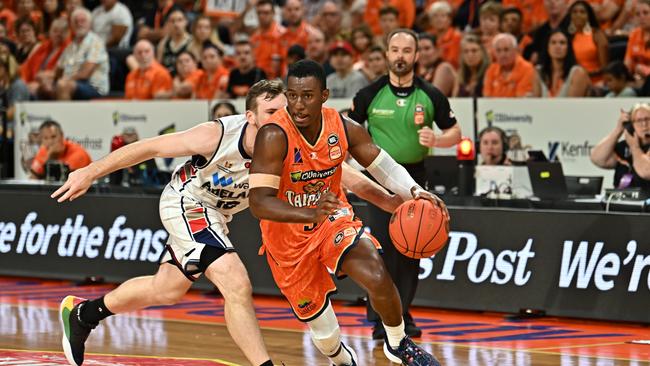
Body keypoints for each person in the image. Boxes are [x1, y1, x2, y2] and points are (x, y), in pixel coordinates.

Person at [52, 79, 401, 366]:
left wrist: (389, 200)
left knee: (167, 289)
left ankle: (84, 315)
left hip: (218, 215)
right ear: (250, 116)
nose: (283, 117)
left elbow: (346, 177)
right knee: (235, 281)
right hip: (187, 202)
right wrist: (91, 171)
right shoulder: (216, 135)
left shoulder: (288, 141)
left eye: (286, 110)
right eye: (271, 112)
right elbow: (150, 148)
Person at [249, 59, 444, 366]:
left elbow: (382, 165)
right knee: (325, 335)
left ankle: (397, 343)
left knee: (377, 274)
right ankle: (341, 359)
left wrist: (414, 191)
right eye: (294, 96)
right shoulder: (274, 136)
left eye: (308, 96)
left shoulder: (341, 126)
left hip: (332, 220)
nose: (299, 105)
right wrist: (309, 214)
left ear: (324, 95)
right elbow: (259, 202)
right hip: (287, 241)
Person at [349, 29, 461, 340]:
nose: (400, 56)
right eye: (395, 49)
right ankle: (380, 319)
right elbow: (349, 134)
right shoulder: (368, 95)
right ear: (386, 54)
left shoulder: (431, 94)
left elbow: (457, 132)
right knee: (382, 249)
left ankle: (403, 314)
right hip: (379, 180)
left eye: (407, 50)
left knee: (412, 248)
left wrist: (438, 139)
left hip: (415, 178)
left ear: (416, 56)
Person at [591, 103, 650, 191]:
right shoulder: (624, 146)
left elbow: (646, 172)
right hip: (620, 200)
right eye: (638, 120)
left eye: (648, 119)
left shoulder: (633, 145)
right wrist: (618, 130)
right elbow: (597, 159)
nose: (644, 124)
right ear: (630, 125)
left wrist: (635, 148)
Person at [55, 7, 109, 100]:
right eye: (76, 22)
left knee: (63, 86)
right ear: (72, 25)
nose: (79, 24)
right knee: (39, 87)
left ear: (90, 24)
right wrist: (49, 79)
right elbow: (59, 69)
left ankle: (64, 114)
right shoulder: (70, 46)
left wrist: (64, 80)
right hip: (72, 83)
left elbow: (85, 74)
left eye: (83, 21)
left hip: (93, 86)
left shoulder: (96, 43)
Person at [535, 29, 591, 97]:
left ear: (568, 48)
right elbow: (536, 103)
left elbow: (573, 106)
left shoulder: (577, 73)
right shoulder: (538, 71)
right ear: (547, 48)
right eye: (553, 42)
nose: (558, 46)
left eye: (562, 43)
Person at [483, 33, 538, 97]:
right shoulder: (491, 69)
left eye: (506, 50)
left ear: (516, 51)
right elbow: (487, 96)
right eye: (498, 51)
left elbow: (522, 97)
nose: (502, 55)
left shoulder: (527, 68)